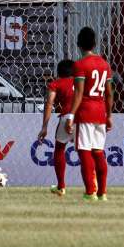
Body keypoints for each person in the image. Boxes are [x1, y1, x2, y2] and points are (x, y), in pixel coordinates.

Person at [65, 27, 113, 201]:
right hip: (100, 111)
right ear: (95, 43)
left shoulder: (79, 65)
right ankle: (103, 192)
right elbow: (109, 93)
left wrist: (70, 115)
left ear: (78, 44)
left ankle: (90, 191)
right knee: (98, 152)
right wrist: (109, 115)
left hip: (85, 111)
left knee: (84, 151)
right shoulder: (104, 64)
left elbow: (78, 93)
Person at [37, 59, 75, 196]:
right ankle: (94, 186)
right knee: (88, 151)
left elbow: (49, 103)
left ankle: (61, 186)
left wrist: (44, 127)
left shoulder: (56, 84)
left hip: (67, 118)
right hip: (85, 118)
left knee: (59, 149)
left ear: (58, 72)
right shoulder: (82, 82)